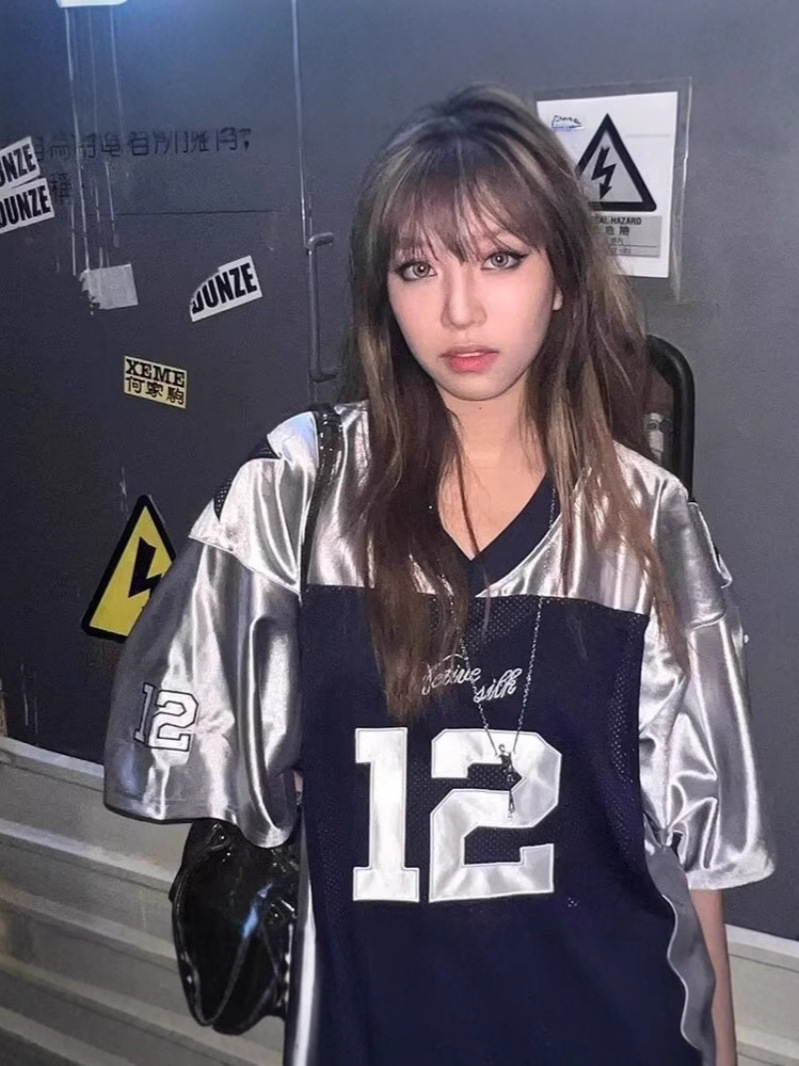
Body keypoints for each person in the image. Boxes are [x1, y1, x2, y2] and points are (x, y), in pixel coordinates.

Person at [103, 85, 774, 1066]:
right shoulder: (293, 493)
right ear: (383, 289)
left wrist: (719, 1051)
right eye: (418, 267)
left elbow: (692, 855)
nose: (459, 308)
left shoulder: (647, 521)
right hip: (376, 1029)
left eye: (500, 258)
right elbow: (218, 769)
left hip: (615, 1028)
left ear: (562, 277)